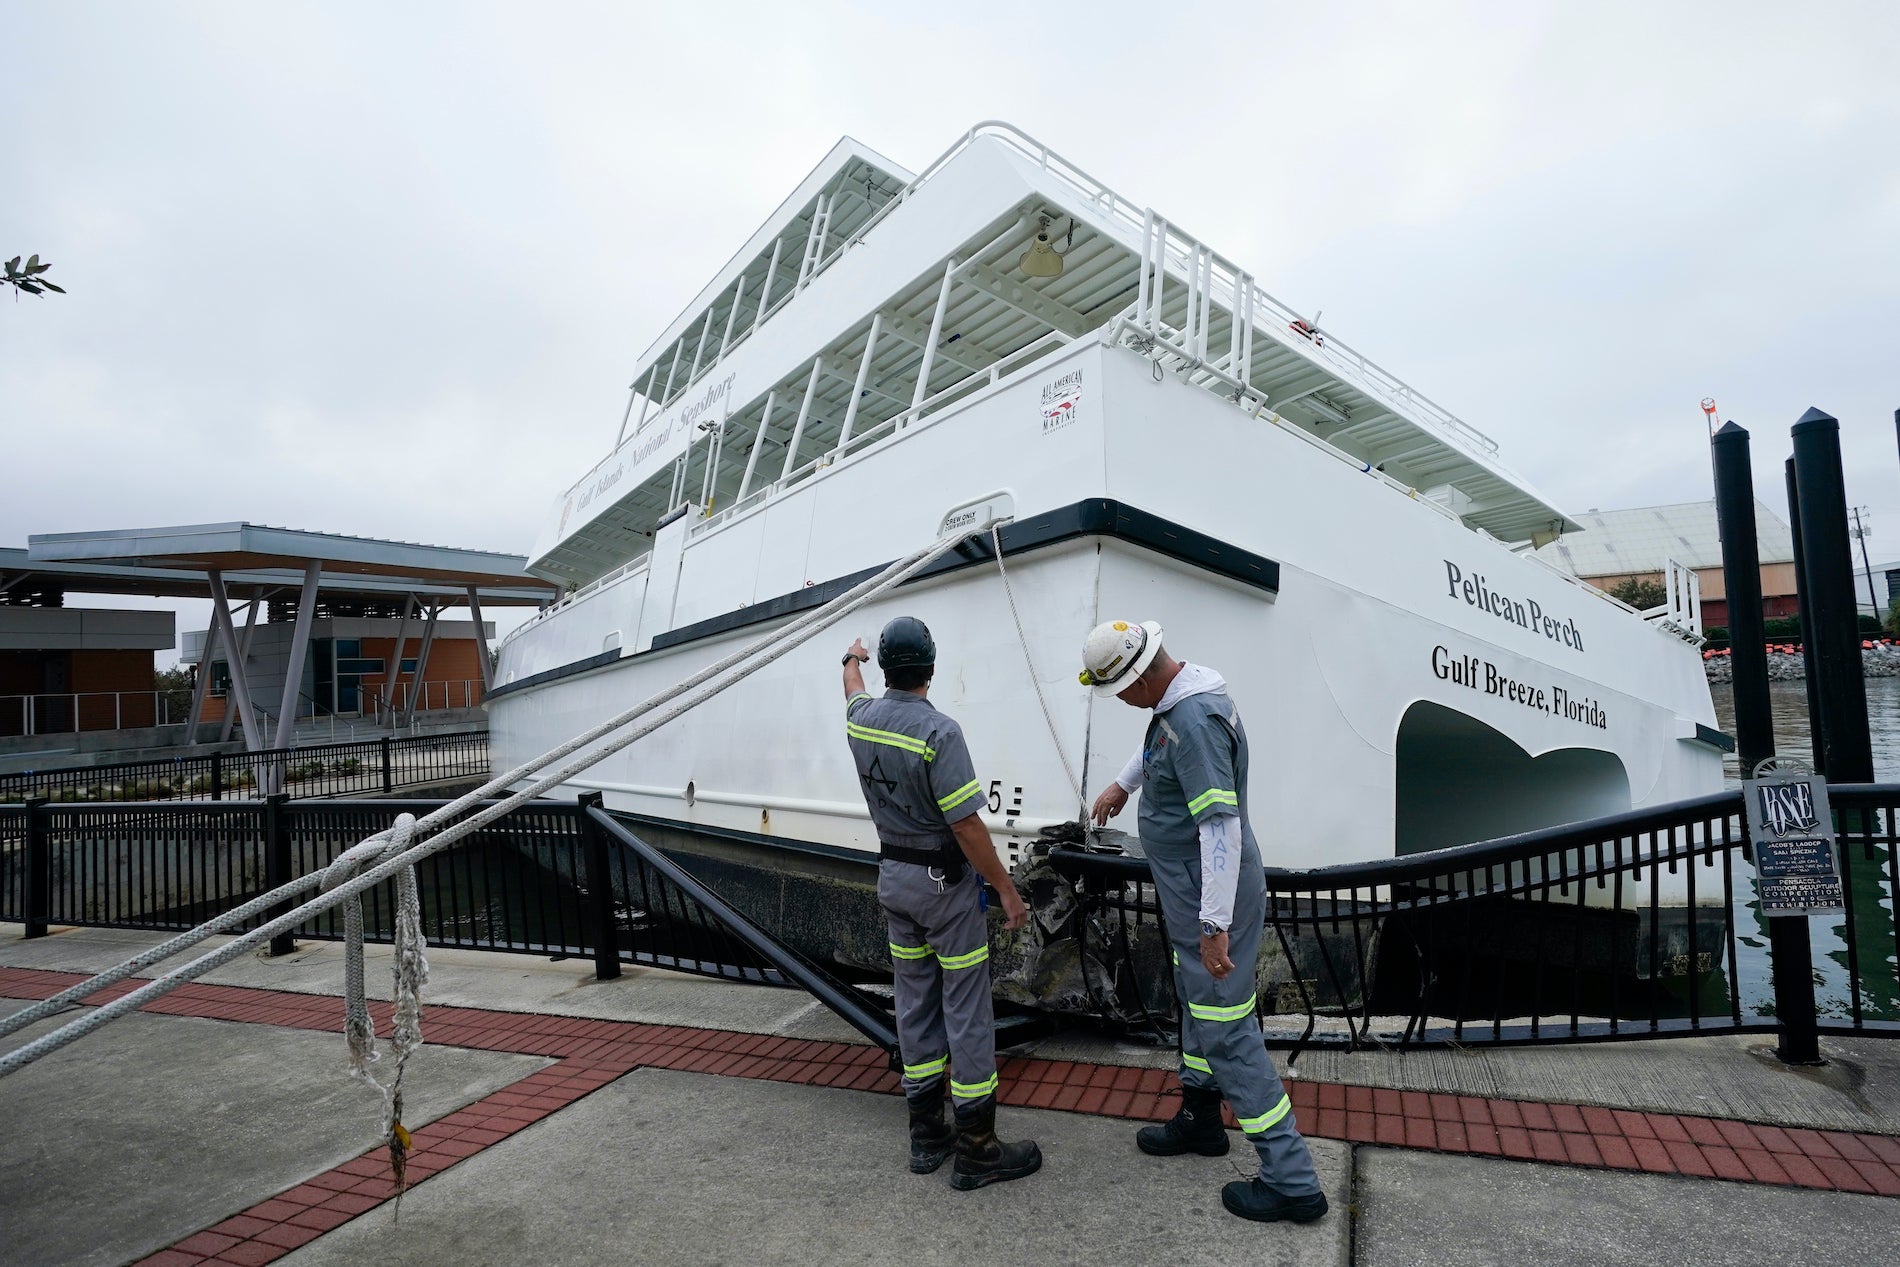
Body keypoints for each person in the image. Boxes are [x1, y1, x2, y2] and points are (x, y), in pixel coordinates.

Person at [1080, 618, 1328, 1224]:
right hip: (1194, 892)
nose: (1122, 702)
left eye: (1120, 691)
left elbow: (1218, 828)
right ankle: (1199, 1116)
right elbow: (1154, 746)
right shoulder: (1181, 698)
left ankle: (1292, 1180)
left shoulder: (1193, 723)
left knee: (1224, 1026)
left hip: (1209, 897)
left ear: (1139, 680)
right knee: (1199, 1003)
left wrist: (1214, 923)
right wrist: (1123, 783)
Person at [843, 616, 1042, 1190]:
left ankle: (927, 1136)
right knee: (967, 1011)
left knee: (914, 1004)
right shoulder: (940, 734)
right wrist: (1005, 887)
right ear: (931, 667)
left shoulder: (863, 723)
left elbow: (853, 693)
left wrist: (848, 659)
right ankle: (978, 1148)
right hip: (943, 891)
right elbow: (967, 827)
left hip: (894, 884)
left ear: (885, 668)